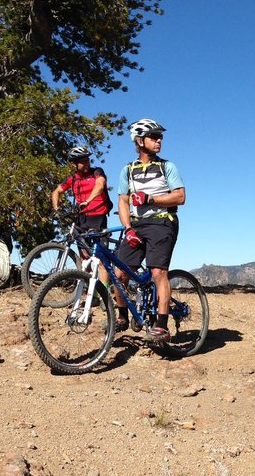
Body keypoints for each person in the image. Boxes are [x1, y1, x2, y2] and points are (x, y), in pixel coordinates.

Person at [113, 119, 186, 341]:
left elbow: (180, 197)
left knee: (157, 273)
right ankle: (122, 316)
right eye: (154, 137)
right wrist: (128, 228)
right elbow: (123, 202)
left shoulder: (167, 167)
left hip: (162, 222)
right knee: (120, 274)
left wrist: (151, 198)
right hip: (137, 225)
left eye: (160, 137)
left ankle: (162, 326)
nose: (159, 140)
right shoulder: (127, 170)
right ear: (139, 141)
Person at [51, 146, 113, 283]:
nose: (86, 163)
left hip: (97, 217)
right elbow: (56, 192)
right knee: (84, 257)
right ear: (74, 164)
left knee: (100, 259)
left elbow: (100, 185)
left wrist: (88, 201)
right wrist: (56, 209)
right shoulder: (72, 179)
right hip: (81, 219)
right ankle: (92, 291)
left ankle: (104, 294)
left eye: (87, 160)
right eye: (82, 161)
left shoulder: (97, 172)